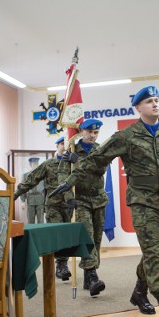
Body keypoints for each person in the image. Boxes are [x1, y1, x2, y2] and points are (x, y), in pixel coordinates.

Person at [49, 85, 159, 317]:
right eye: (149, 101)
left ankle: (139, 293)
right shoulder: (127, 136)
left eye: (156, 99)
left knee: (156, 253)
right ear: (138, 108)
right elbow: (95, 161)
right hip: (142, 202)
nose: (155, 103)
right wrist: (70, 180)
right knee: (153, 253)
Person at [57, 119, 109, 297]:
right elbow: (63, 176)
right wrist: (69, 198)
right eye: (89, 132)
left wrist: (78, 161)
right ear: (81, 132)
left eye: (96, 133)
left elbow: (100, 169)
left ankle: (88, 276)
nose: (93, 136)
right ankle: (93, 276)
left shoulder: (100, 149)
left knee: (96, 239)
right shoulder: (70, 151)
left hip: (99, 199)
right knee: (87, 237)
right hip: (81, 201)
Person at [13, 137, 72, 281]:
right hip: (53, 205)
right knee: (59, 233)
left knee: (67, 235)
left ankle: (66, 264)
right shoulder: (48, 164)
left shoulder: (74, 163)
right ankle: (61, 265)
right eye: (62, 144)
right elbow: (31, 179)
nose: (65, 146)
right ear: (57, 146)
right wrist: (15, 194)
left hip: (69, 204)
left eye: (67, 144)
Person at [21, 157, 45, 224]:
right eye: (34, 163)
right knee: (30, 220)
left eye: (37, 163)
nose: (35, 165)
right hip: (30, 198)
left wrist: (46, 200)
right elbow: (22, 188)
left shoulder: (42, 175)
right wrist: (23, 201)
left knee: (41, 220)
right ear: (30, 164)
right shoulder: (25, 176)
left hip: (40, 198)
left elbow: (45, 189)